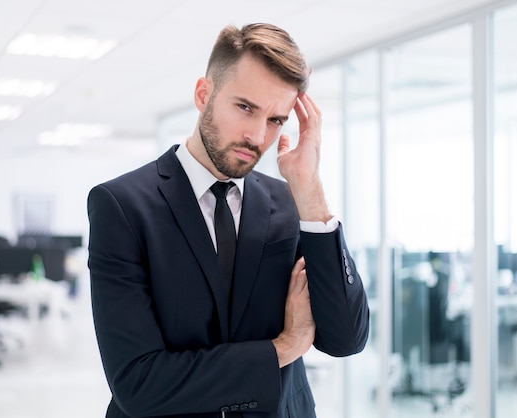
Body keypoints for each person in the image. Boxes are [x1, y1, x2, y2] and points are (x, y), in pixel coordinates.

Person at [87, 22, 370, 418]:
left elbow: (346, 338)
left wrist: (310, 190)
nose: (257, 136)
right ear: (204, 94)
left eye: (276, 120)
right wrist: (284, 347)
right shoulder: (122, 206)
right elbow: (138, 384)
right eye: (245, 107)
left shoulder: (291, 204)